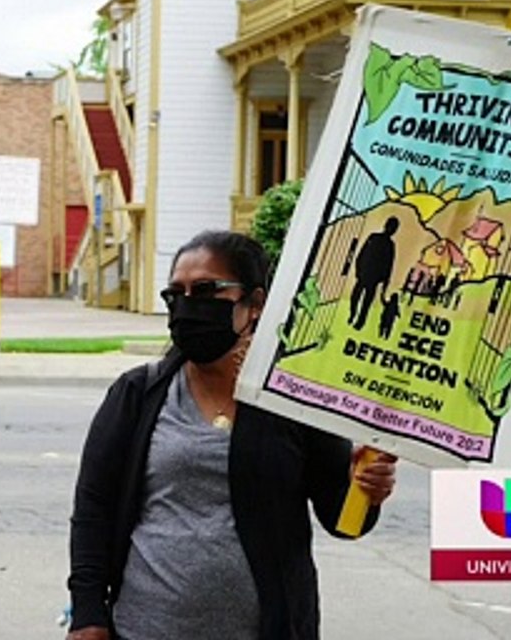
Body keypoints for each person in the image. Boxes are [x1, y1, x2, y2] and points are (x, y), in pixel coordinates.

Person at [65, 230, 398, 640]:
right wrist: (88, 612)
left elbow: (344, 521)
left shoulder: (296, 402)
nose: (188, 306)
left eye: (207, 290)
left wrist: (366, 488)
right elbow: (94, 509)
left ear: (254, 304)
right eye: (176, 294)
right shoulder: (139, 393)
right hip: (143, 628)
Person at [349, 216, 400, 331]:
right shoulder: (374, 237)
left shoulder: (390, 245)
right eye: (391, 226)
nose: (392, 229)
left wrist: (385, 281)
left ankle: (360, 322)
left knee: (366, 303)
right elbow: (362, 253)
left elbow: (389, 264)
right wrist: (358, 268)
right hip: (364, 274)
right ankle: (352, 314)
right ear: (386, 225)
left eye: (394, 228)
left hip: (374, 279)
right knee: (355, 297)